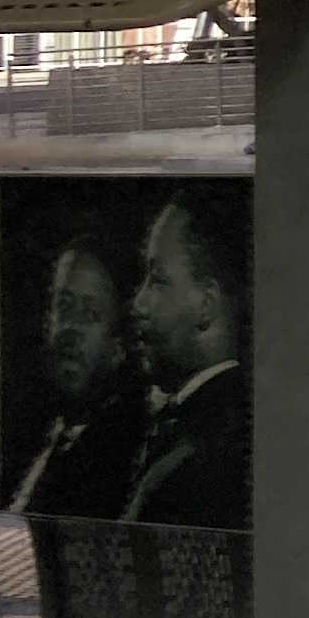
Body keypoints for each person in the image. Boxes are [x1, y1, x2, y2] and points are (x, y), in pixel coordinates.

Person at [113, 194, 247, 532]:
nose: (137, 303)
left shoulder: (212, 449)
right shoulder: (189, 428)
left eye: (157, 280)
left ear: (205, 305)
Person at [5, 240, 132, 518]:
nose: (71, 327)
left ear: (117, 349)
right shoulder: (24, 434)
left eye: (91, 314)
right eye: (64, 306)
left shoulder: (120, 465)